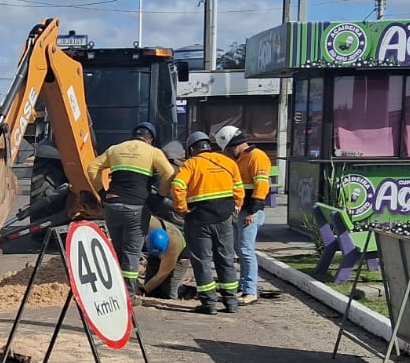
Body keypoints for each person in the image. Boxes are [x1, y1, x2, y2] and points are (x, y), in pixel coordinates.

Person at [86, 120, 174, 290]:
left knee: (116, 248)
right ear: (150, 139)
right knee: (131, 252)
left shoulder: (115, 149)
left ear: (134, 135)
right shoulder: (153, 152)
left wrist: (102, 192)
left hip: (112, 206)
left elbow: (92, 168)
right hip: (137, 208)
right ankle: (129, 293)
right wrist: (160, 196)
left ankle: (114, 288)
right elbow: (169, 173)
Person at [171, 131, 244, 314]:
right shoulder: (228, 162)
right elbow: (238, 188)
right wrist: (236, 206)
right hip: (224, 218)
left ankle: (209, 304)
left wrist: (182, 208)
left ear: (192, 149)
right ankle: (231, 301)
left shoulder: (190, 164)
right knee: (226, 258)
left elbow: (178, 186)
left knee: (202, 260)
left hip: (198, 219)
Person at [213, 127, 272, 304]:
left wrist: (253, 211)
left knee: (246, 250)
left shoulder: (257, 157)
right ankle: (244, 287)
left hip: (250, 212)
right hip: (243, 210)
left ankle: (250, 291)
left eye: (228, 149)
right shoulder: (242, 159)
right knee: (240, 250)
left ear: (234, 145)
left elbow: (261, 186)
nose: (228, 153)